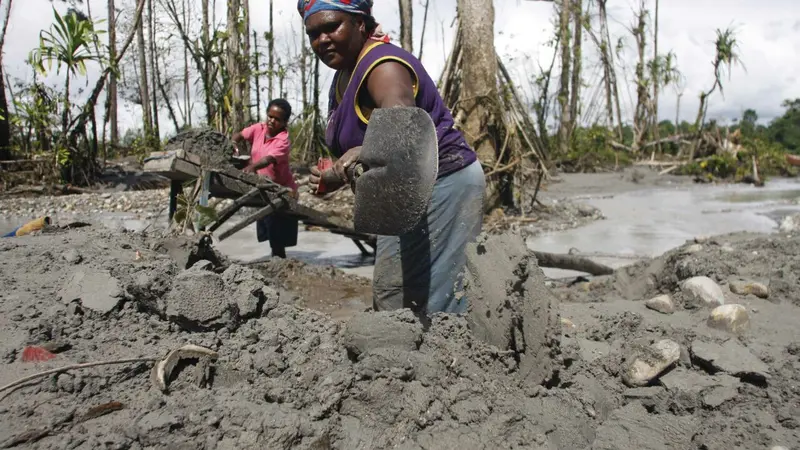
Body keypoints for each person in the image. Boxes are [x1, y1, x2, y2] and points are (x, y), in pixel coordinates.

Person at [299, 0, 486, 318]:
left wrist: (355, 157)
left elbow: (401, 127)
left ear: (360, 23)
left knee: (436, 300)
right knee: (395, 295)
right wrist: (335, 173)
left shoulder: (382, 66)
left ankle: (454, 360)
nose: (322, 39)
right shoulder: (346, 71)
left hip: (442, 184)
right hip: (400, 191)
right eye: (313, 33)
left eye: (332, 27)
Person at [232, 98, 299, 259]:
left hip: (281, 190)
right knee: (270, 230)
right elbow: (239, 135)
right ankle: (276, 262)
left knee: (278, 236)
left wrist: (253, 167)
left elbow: (268, 159)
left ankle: (280, 264)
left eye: (277, 119)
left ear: (284, 122)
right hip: (263, 186)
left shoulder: (283, 140)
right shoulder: (258, 129)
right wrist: (233, 143)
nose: (272, 121)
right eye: (270, 116)